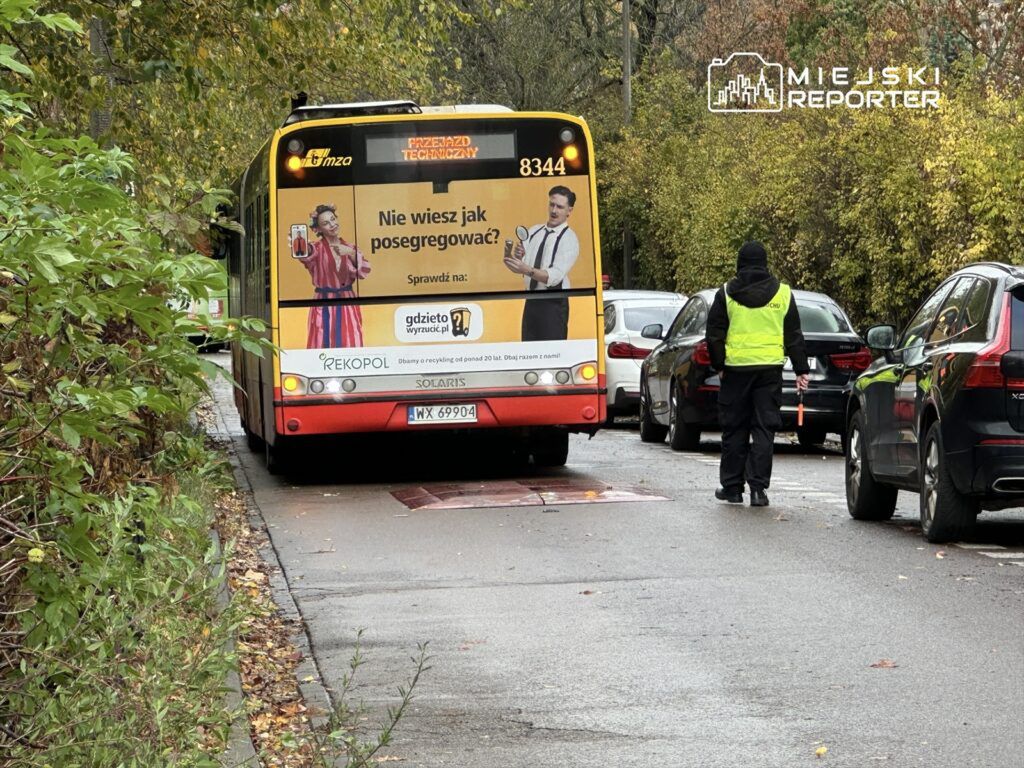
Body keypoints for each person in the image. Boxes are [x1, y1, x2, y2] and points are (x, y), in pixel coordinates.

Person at [705, 241, 809, 507]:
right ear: (765, 263)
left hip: (735, 371)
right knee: (764, 429)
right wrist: (801, 370)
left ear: (740, 263)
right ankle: (758, 490)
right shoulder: (783, 294)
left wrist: (719, 366)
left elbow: (714, 334)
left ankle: (732, 488)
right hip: (769, 372)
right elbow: (794, 335)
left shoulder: (726, 293)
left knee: (734, 428)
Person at [503, 186, 580, 341]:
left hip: (554, 304)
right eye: (551, 204)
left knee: (553, 354)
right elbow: (522, 265)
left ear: (569, 211)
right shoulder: (534, 231)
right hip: (531, 301)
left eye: (559, 207)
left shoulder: (569, 239)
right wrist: (514, 258)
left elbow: (554, 277)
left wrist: (527, 269)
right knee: (529, 352)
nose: (554, 210)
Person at [293, 203, 371, 348]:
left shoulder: (351, 247)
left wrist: (351, 253)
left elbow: (364, 271)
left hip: (347, 303)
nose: (332, 224)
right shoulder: (316, 248)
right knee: (321, 342)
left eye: (333, 219)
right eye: (326, 223)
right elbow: (307, 256)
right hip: (323, 303)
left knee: (351, 340)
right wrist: (302, 246)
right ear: (319, 229)